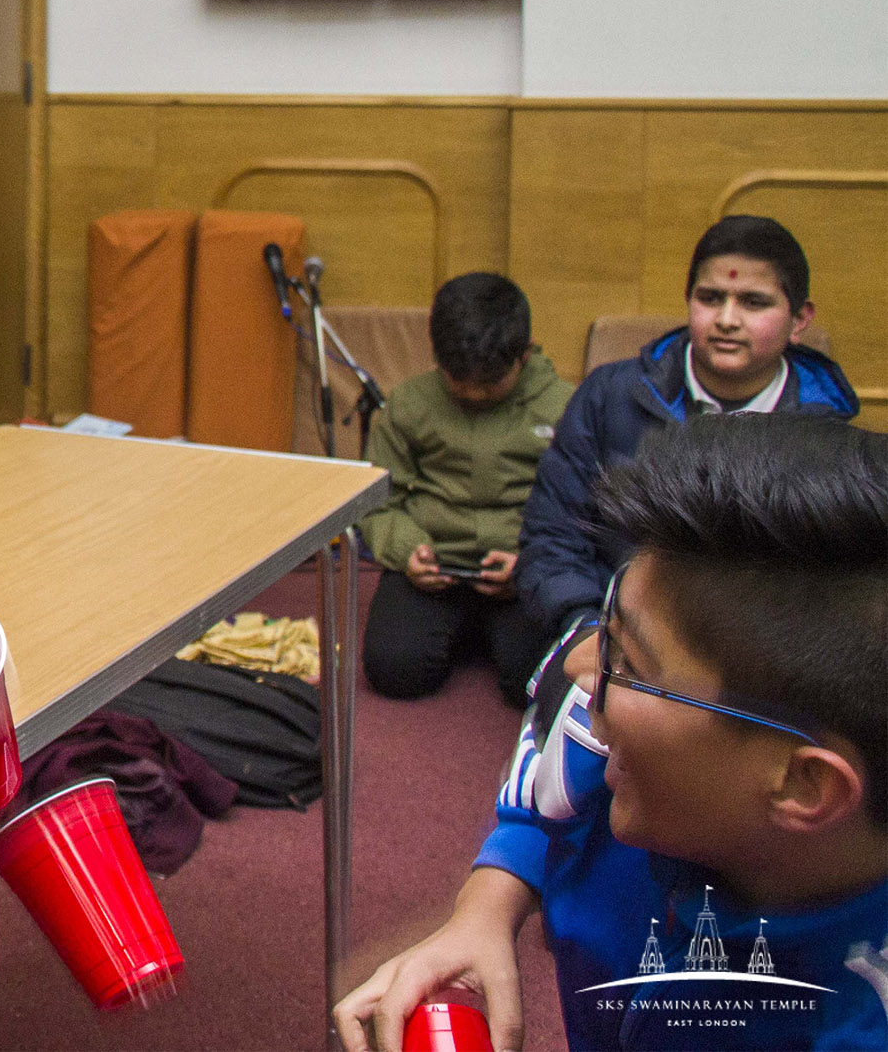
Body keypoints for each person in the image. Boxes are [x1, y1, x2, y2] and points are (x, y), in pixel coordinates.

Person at [337, 413, 888, 1051]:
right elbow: (546, 807)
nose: (578, 669)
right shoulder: (627, 764)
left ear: (803, 783)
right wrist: (484, 909)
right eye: (607, 630)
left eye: (629, 663)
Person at [517, 214, 858, 652]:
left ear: (799, 319)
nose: (727, 320)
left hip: (756, 656)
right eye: (711, 298)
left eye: (754, 303)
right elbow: (554, 533)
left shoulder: (825, 431)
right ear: (688, 300)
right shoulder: (609, 396)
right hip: (614, 632)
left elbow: (831, 589)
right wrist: (583, 629)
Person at [358, 273, 570, 705]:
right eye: (459, 381)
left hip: (525, 570)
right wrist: (408, 551)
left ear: (524, 354)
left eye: (490, 384)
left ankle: (486, 634)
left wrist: (533, 562)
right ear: (437, 358)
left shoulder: (564, 406)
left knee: (535, 685)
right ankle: (470, 633)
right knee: (394, 672)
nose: (473, 393)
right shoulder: (409, 404)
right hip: (434, 570)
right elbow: (377, 499)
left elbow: (583, 509)